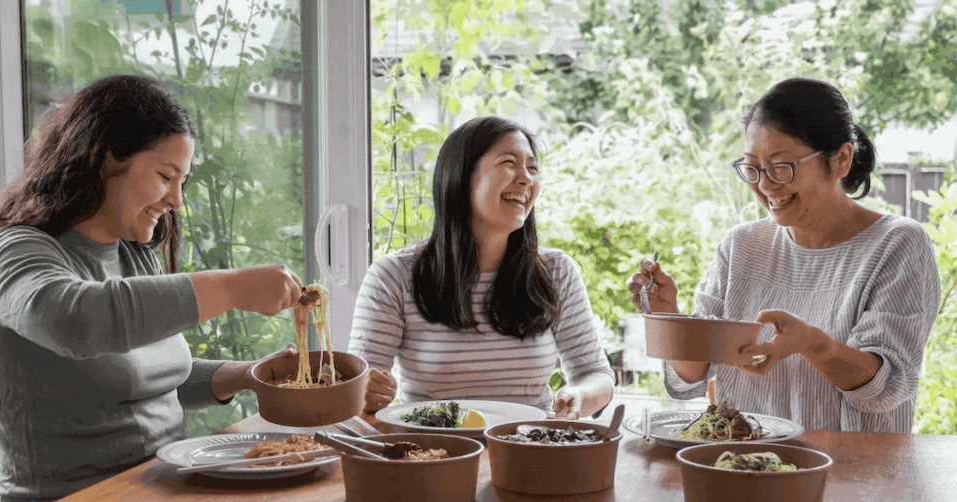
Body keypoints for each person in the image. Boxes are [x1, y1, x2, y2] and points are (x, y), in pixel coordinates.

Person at [0, 74, 335, 502]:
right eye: (167, 176)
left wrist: (250, 374)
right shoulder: (14, 251)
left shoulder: (132, 253)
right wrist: (233, 286)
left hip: (158, 495)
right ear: (107, 159)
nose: (177, 201)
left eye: (182, 181)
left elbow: (149, 380)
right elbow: (75, 323)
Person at [627, 77, 940, 433]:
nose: (764, 185)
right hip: (746, 467)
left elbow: (886, 391)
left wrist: (812, 344)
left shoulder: (897, 244)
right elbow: (692, 377)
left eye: (780, 167)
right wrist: (670, 317)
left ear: (839, 159)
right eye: (753, 167)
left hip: (854, 476)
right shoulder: (741, 246)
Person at [350, 116, 615, 419]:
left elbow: (595, 373)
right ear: (461, 176)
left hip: (528, 449)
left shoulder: (556, 272)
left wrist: (579, 394)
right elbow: (356, 390)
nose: (526, 178)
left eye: (532, 168)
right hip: (433, 454)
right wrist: (366, 394)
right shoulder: (394, 276)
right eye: (508, 163)